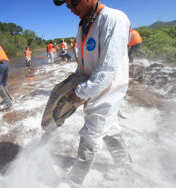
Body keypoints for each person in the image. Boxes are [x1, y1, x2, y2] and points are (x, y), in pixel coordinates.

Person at [53, 0, 131, 187]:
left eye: (73, 3)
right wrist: (73, 83)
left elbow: (108, 67)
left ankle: (74, 181)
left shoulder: (113, 18)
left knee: (90, 134)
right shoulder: (83, 25)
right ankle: (123, 162)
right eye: (68, 7)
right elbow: (83, 64)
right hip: (93, 87)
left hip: (109, 88)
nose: (71, 9)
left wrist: (82, 92)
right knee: (109, 127)